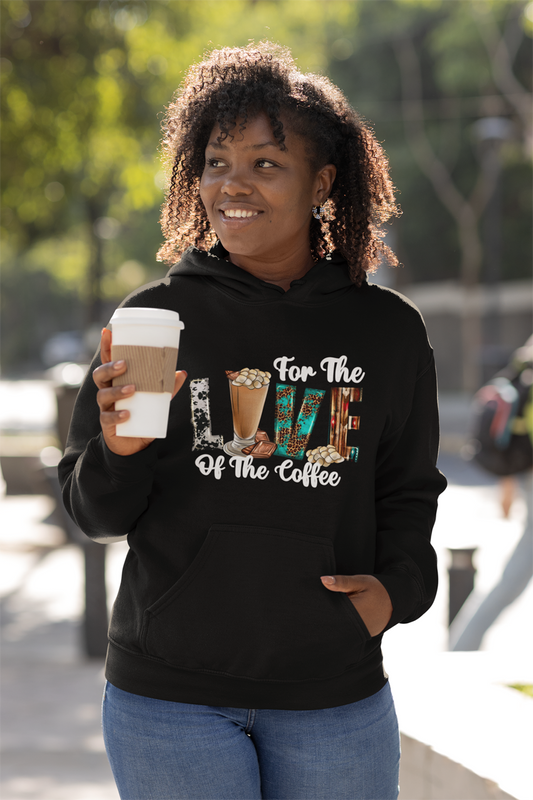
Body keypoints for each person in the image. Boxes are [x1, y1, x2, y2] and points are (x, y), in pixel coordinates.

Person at [59, 43, 447, 800]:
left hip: (331, 693)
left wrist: (395, 593)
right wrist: (119, 449)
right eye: (214, 162)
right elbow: (97, 511)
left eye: (265, 164)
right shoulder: (153, 323)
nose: (230, 184)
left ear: (322, 182)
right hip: (168, 698)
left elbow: (407, 488)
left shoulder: (387, 333)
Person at [450, 336, 533, 651]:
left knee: (513, 576)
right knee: (514, 577)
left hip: (526, 477)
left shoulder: (525, 362)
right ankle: (460, 647)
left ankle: (460, 645)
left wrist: (509, 482)